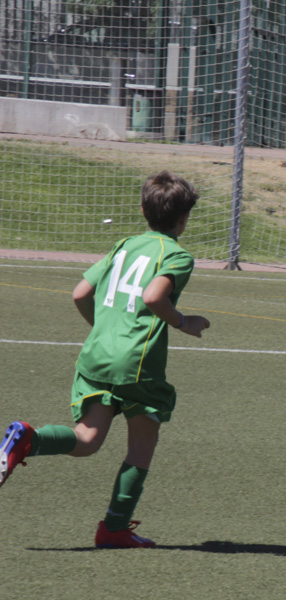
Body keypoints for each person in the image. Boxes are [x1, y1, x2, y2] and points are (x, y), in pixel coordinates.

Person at [1, 171, 211, 548]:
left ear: (142, 208)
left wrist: (103, 329)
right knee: (141, 446)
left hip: (96, 356)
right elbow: (152, 297)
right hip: (136, 364)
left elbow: (81, 293)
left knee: (87, 439)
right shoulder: (177, 255)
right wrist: (183, 321)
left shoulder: (124, 245)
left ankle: (28, 439)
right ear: (184, 219)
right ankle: (113, 528)